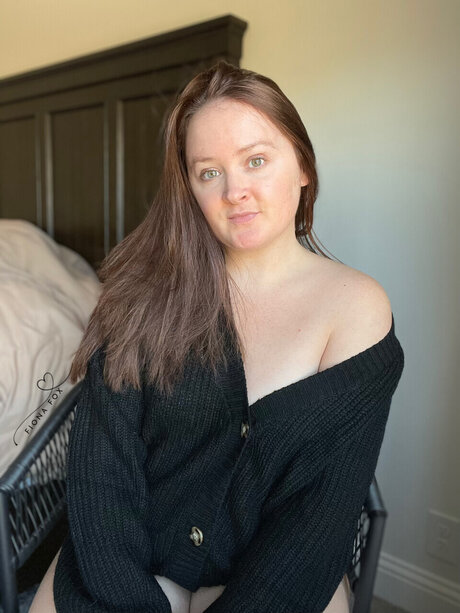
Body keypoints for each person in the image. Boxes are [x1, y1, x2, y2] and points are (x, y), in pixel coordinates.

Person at [29, 60, 404, 613]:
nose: (235, 192)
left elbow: (317, 514)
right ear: (189, 187)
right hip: (130, 562)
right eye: (209, 173)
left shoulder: (356, 309)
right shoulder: (140, 294)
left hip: (272, 580)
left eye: (256, 161)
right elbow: (102, 472)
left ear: (303, 165)